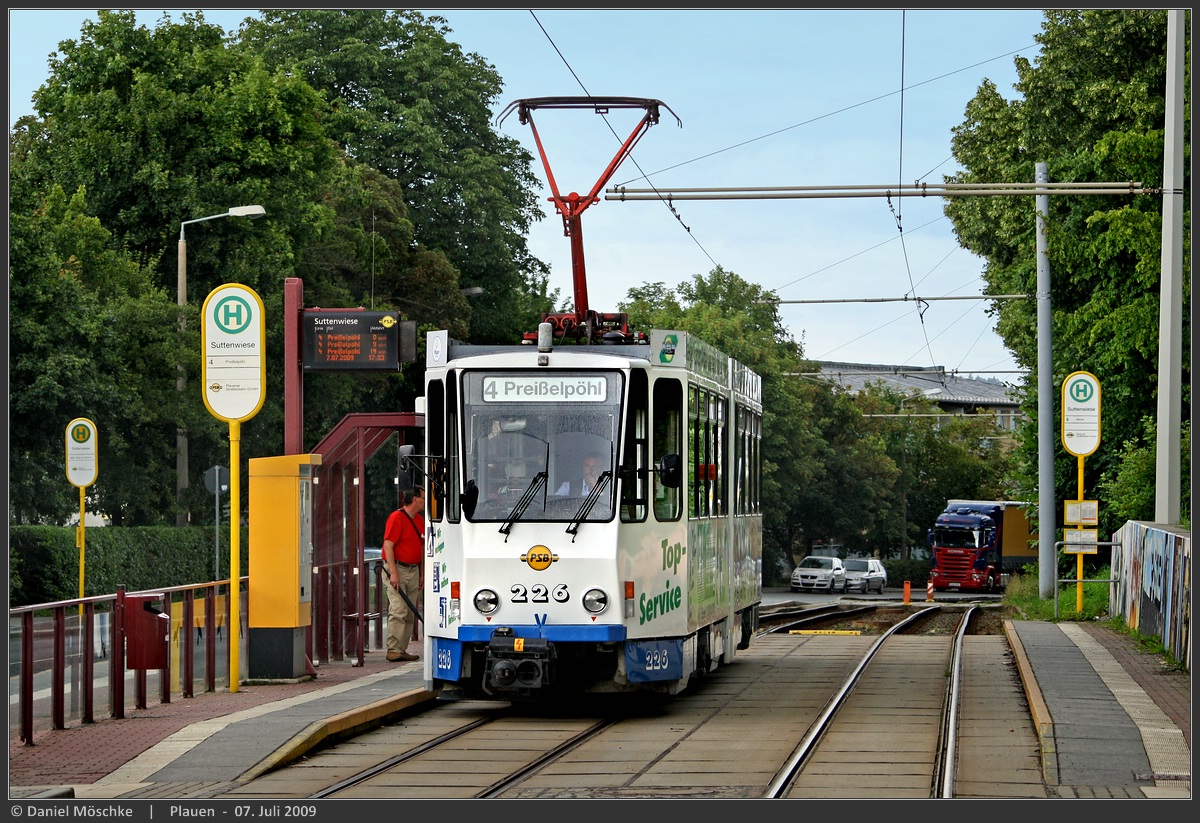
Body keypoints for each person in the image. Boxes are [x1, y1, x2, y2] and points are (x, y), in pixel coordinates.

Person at [381, 486, 424, 663]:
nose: (425, 501)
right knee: (399, 609)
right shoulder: (397, 518)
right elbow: (388, 545)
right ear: (415, 499)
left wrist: (422, 573)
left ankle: (401, 648)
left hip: (413, 570)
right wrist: (393, 573)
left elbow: (422, 546)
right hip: (398, 569)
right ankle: (393, 648)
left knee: (409, 612)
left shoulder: (419, 520)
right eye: (423, 498)